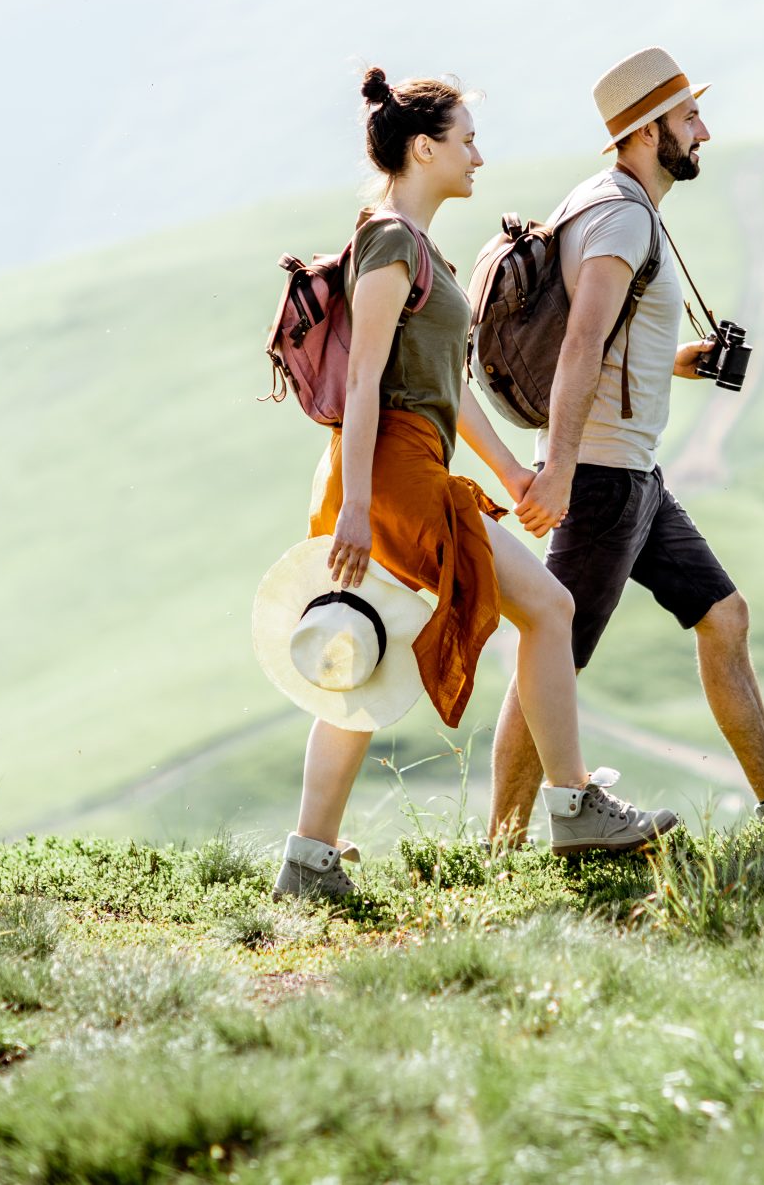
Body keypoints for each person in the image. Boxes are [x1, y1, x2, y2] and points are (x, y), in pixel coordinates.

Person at [275, 67, 678, 901]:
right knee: (551, 607)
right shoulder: (389, 243)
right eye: (465, 141)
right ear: (424, 148)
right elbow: (364, 386)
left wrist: (513, 473)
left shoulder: (418, 250)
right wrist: (355, 504)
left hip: (403, 464)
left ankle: (306, 860)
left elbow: (446, 393)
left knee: (363, 653)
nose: (478, 157)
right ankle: (573, 804)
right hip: (386, 472)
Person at [489, 48, 764, 846]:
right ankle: (498, 851)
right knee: (554, 660)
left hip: (635, 475)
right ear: (646, 130)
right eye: (688, 118)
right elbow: (579, 342)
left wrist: (682, 361)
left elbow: (611, 341)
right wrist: (562, 468)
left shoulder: (615, 204)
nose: (702, 130)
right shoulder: (620, 214)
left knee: (724, 614)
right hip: (602, 477)